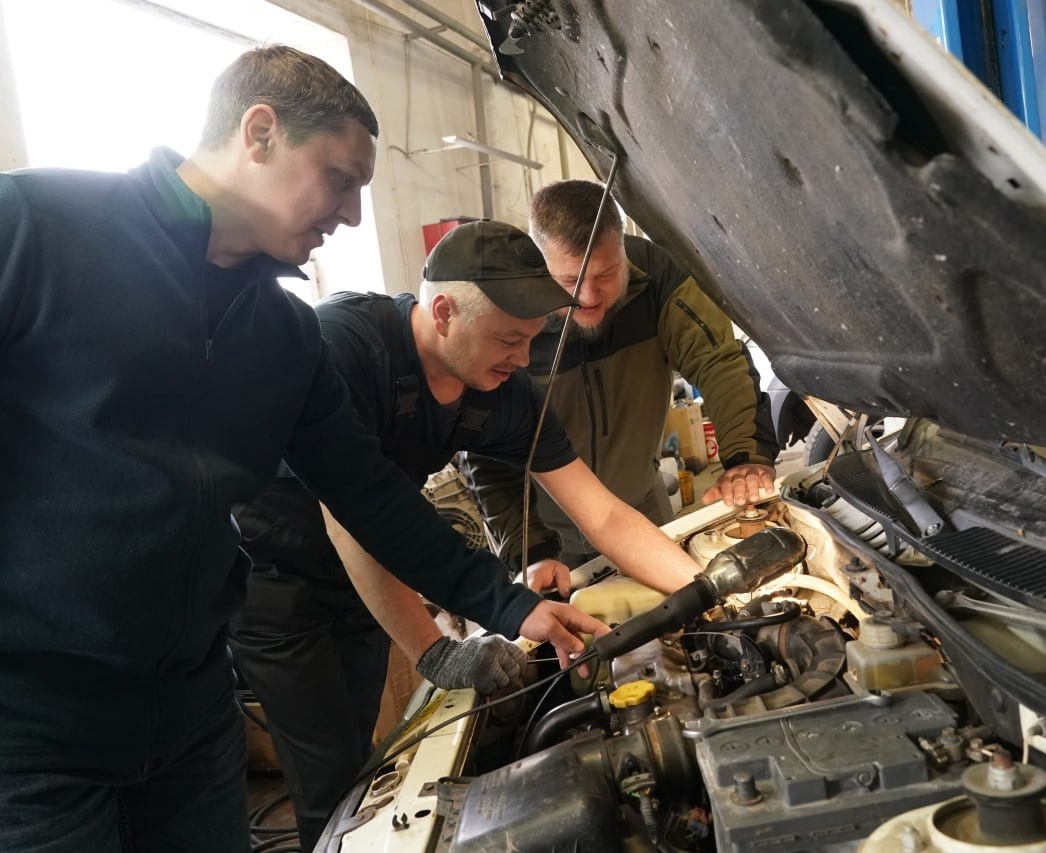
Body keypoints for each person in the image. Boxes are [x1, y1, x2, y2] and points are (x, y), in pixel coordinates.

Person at [0, 46, 604, 853]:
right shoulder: (35, 231)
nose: (351, 214)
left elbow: (368, 492)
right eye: (340, 179)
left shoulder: (283, 336)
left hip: (190, 721)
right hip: (33, 735)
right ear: (260, 133)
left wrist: (509, 603)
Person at [231, 220, 705, 851]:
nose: (523, 358)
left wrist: (708, 589)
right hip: (278, 580)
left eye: (532, 339)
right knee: (329, 776)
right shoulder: (344, 348)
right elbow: (352, 518)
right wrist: (434, 651)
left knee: (365, 767)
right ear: (444, 312)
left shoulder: (504, 392)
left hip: (369, 578)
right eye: (509, 339)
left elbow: (604, 515)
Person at [464, 180, 781, 568]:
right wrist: (527, 549)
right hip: (547, 535)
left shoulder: (657, 277)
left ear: (622, 248)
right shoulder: (507, 311)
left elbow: (719, 362)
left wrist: (745, 457)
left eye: (606, 274)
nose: (588, 297)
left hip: (643, 511)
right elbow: (486, 448)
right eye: (569, 282)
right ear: (540, 264)